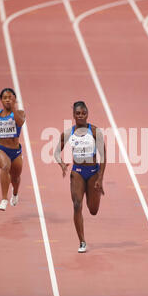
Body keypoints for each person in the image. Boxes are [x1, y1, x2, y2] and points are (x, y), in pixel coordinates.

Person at [54, 101, 106, 253]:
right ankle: (82, 241)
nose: (81, 116)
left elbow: (103, 156)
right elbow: (56, 152)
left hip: (93, 173)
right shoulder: (68, 133)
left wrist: (100, 178)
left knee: (93, 210)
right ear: (74, 115)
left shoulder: (95, 132)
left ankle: (95, 195)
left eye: (83, 113)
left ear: (87, 114)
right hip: (77, 172)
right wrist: (62, 164)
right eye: (78, 113)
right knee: (77, 205)